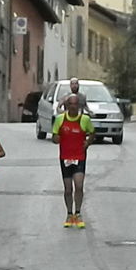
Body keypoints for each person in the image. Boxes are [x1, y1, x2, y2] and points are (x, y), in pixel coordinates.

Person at [52, 94, 95, 228]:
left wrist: (87, 142)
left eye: (76, 104)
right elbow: (54, 136)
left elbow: (93, 132)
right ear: (67, 106)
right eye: (71, 104)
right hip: (65, 157)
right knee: (68, 189)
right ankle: (69, 214)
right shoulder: (60, 119)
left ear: (79, 106)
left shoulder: (85, 119)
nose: (73, 106)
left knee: (79, 185)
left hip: (79, 157)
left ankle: (78, 213)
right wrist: (56, 139)